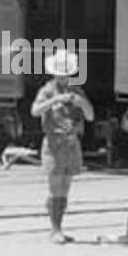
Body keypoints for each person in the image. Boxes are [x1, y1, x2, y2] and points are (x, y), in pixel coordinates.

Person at [30, 48, 94, 243]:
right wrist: (55, 100)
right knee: (55, 187)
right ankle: (55, 229)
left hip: (71, 144)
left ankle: (58, 226)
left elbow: (90, 116)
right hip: (54, 144)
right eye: (61, 72)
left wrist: (81, 103)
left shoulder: (76, 91)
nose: (64, 76)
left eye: (67, 72)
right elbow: (35, 111)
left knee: (64, 188)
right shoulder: (47, 91)